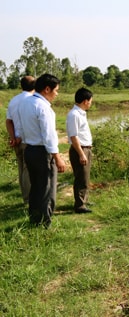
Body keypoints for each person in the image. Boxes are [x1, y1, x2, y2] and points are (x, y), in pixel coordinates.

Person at [18, 73, 66, 228]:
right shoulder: (43, 107)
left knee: (36, 187)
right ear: (47, 89)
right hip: (42, 152)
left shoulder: (25, 103)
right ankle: (45, 223)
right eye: (56, 90)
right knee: (47, 188)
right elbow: (49, 136)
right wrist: (57, 157)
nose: (56, 94)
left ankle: (35, 218)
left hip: (29, 150)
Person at [5, 76, 36, 204]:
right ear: (34, 86)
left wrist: (13, 137)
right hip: (27, 140)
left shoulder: (14, 100)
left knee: (21, 169)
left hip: (17, 140)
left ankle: (25, 197)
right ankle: (29, 199)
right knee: (28, 170)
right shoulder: (32, 100)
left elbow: (8, 121)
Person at [66, 87, 94, 213]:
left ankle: (83, 200)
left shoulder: (81, 113)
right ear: (85, 101)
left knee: (85, 177)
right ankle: (79, 205)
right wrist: (81, 154)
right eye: (90, 101)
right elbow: (74, 136)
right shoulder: (74, 115)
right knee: (81, 177)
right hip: (80, 149)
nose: (91, 103)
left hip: (85, 149)